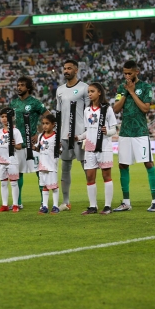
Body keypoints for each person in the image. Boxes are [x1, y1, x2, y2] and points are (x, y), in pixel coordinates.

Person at [112, 60, 155, 212]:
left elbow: (145, 108)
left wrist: (132, 92)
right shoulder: (121, 87)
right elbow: (116, 109)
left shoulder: (145, 87)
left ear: (136, 72)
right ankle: (126, 202)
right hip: (125, 132)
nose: (127, 76)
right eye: (124, 73)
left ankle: (154, 201)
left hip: (140, 132)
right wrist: (126, 91)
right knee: (122, 165)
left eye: (129, 73)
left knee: (148, 163)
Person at [77, 83, 118, 215]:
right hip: (89, 147)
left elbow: (114, 129)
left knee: (106, 176)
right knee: (90, 176)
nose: (89, 94)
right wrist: (77, 137)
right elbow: (88, 131)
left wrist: (108, 132)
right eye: (88, 91)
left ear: (99, 92)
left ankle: (107, 206)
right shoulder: (87, 110)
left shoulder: (107, 109)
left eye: (92, 91)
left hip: (104, 146)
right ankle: (92, 206)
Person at [10, 76, 50, 208]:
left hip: (33, 144)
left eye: (22, 85)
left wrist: (40, 132)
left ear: (28, 87)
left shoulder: (35, 103)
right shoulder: (14, 103)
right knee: (18, 172)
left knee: (40, 172)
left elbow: (49, 117)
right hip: (18, 143)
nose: (19, 87)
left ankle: (43, 202)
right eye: (18, 85)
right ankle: (18, 202)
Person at [56, 60, 89, 211]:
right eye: (65, 68)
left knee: (86, 167)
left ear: (76, 70)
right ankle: (66, 201)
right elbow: (58, 114)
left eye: (69, 68)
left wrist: (86, 134)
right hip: (64, 135)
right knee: (65, 167)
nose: (66, 71)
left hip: (80, 134)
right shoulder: (60, 90)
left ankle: (92, 201)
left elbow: (90, 112)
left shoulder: (84, 88)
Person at [0, 108, 23, 213]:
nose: (4, 119)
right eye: (2, 117)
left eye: (6, 116)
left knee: (13, 183)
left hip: (12, 160)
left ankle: (15, 205)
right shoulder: (0, 132)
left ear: (12, 117)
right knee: (3, 183)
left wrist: (14, 144)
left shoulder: (16, 131)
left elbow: (19, 146)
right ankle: (4, 205)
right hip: (1, 161)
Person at [35, 114, 60, 214]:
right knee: (44, 186)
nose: (44, 126)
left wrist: (59, 149)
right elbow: (38, 147)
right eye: (43, 123)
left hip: (51, 165)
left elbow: (60, 150)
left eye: (47, 123)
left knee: (53, 186)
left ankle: (55, 206)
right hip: (42, 165)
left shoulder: (56, 136)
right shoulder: (41, 136)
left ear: (53, 124)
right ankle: (44, 206)